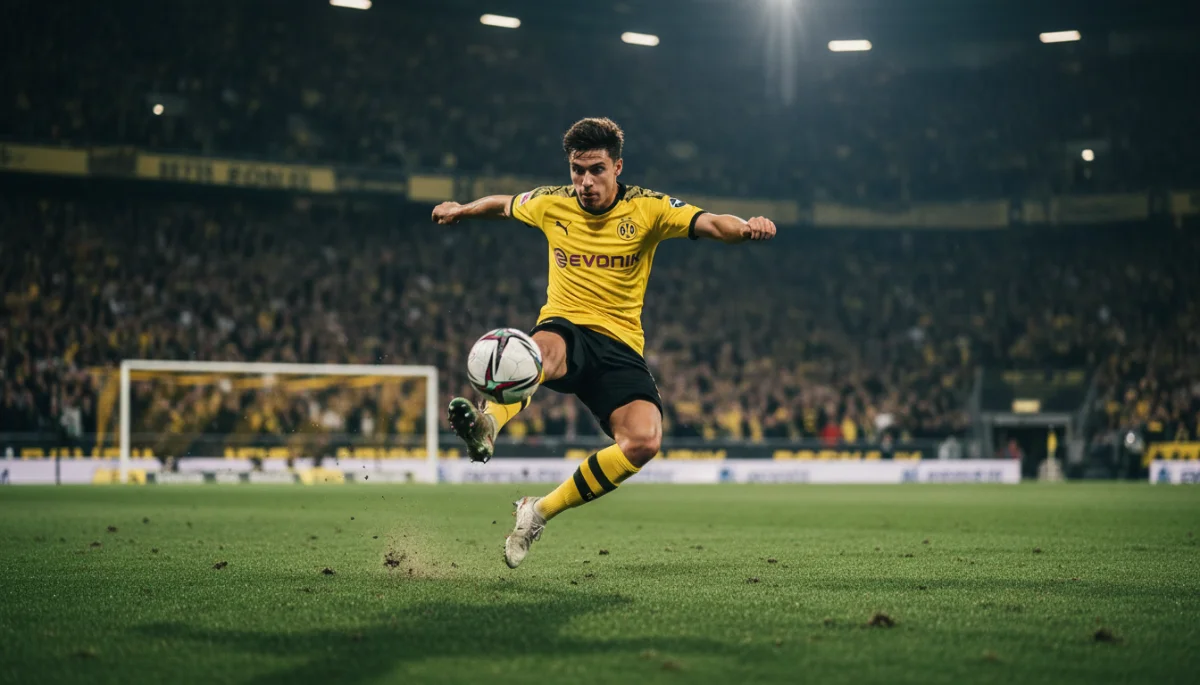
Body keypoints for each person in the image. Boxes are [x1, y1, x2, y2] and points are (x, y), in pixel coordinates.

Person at [432, 117, 776, 568]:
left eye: (596, 170)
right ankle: (487, 425)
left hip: (619, 345)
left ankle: (538, 512)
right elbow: (503, 204)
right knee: (536, 354)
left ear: (617, 167)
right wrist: (462, 208)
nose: (586, 182)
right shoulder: (551, 202)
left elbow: (710, 222)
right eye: (577, 171)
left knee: (644, 441)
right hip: (565, 326)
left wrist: (746, 228)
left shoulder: (648, 208)